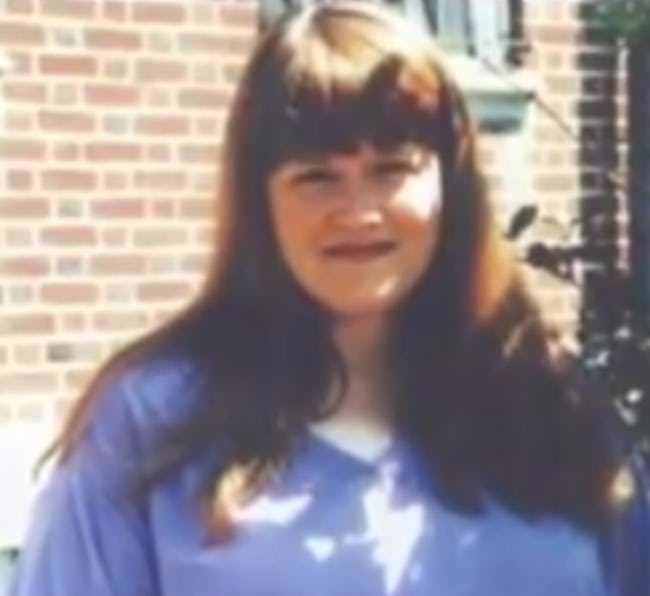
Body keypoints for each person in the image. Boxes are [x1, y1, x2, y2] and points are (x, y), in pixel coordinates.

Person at [10, 2, 649, 595]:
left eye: (392, 168)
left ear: (450, 189)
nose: (358, 210)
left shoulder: (554, 413)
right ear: (261, 203)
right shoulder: (149, 425)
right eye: (316, 176)